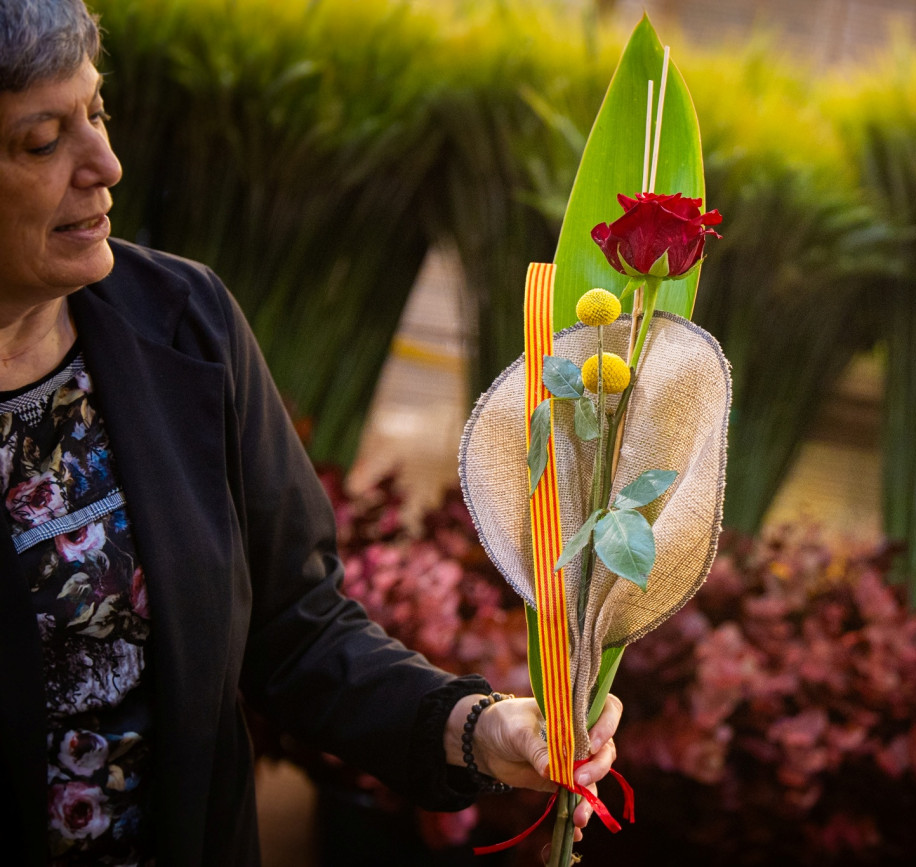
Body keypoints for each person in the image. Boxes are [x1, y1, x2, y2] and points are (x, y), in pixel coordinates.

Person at [0, 1, 621, 864]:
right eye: (41, 141)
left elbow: (295, 625)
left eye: (96, 112)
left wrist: (478, 728)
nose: (104, 164)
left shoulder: (185, 323)